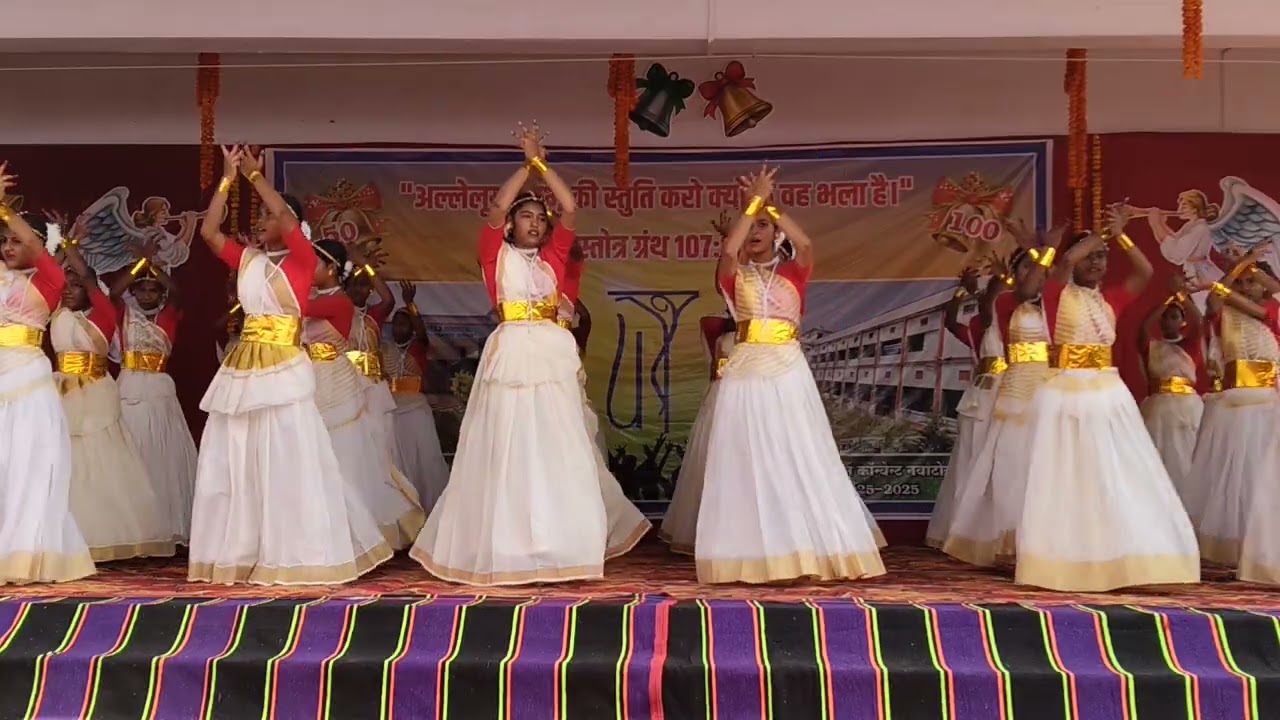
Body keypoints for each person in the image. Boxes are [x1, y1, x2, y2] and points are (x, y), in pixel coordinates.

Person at [410, 123, 611, 585]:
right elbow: (497, 207)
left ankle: (561, 542)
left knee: (556, 443)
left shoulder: (555, 257)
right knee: (507, 443)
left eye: (541, 217)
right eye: (528, 216)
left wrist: (544, 166)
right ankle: (507, 542)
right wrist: (525, 167)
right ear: (512, 226)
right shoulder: (492, 255)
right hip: (512, 347)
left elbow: (572, 208)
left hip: (550, 349)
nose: (536, 221)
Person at [188, 145, 391, 585]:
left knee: (286, 455)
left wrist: (257, 177)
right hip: (243, 368)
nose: (261, 221)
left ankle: (293, 550)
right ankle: (243, 548)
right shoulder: (247, 260)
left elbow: (283, 214)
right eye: (259, 216)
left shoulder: (304, 261)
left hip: (283, 366)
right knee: (237, 455)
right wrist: (227, 178)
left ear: (291, 226)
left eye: (269, 216)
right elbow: (208, 232)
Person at [695, 165, 885, 584]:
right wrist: (750, 207)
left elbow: (805, 242)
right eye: (752, 227)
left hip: (787, 371)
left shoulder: (795, 271)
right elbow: (729, 252)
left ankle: (805, 548)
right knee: (745, 460)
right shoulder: (733, 275)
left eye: (764, 226)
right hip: (745, 372)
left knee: (796, 452)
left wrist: (768, 204)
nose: (757, 231)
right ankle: (751, 554)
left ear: (775, 232)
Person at [1015, 208, 1199, 592]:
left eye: (1101, 257)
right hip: (1068, 392)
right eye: (1090, 256)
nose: (1096, 262)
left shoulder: (1110, 298)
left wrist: (1122, 238)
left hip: (1108, 392)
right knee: (1071, 475)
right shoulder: (1057, 291)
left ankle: (1126, 552)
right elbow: (1065, 260)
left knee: (1119, 472)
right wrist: (1103, 233)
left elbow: (1144, 275)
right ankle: (1070, 556)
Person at [52, 234, 174, 562]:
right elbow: (46, 272)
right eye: (65, 284)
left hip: (94, 390)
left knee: (98, 461)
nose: (68, 289)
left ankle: (101, 534)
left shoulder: (103, 311)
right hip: (60, 390)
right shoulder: (56, 311)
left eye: (75, 285)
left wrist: (67, 245)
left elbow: (89, 277)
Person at [0, 171, 96, 584]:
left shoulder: (50, 280)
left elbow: (38, 247)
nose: (7, 246)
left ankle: (23, 551)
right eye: (3, 239)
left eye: (15, 240)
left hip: (26, 379)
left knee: (25, 464)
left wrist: (4, 206)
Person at [305, 238, 424, 549]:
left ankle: (360, 525)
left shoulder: (350, 308)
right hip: (316, 381)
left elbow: (385, 297)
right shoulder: (320, 299)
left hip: (349, 385)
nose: (360, 291)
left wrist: (363, 265)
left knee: (355, 454)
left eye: (313, 263)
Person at [942, 244, 1052, 566]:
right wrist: (967, 292)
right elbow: (964, 317)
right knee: (982, 460)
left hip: (1027, 389)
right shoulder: (986, 321)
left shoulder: (1048, 310)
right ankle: (984, 527)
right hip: (992, 395)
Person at [92, 230, 199, 545]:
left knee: (162, 451)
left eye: (153, 290)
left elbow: (177, 293)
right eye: (142, 290)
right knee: (132, 449)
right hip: (128, 386)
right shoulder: (125, 316)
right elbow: (112, 293)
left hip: (159, 389)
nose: (148, 295)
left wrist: (153, 266)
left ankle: (164, 524)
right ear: (135, 293)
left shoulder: (168, 316)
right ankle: (133, 525)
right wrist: (141, 265)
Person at [1186, 254, 1280, 568]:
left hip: (1267, 405)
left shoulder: (1269, 311)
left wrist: (1248, 265)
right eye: (1239, 282)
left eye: (1250, 282)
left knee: (1262, 477)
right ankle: (1232, 548)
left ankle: (1262, 547)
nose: (1243, 287)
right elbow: (1214, 300)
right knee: (1233, 479)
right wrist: (1238, 268)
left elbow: (1263, 308)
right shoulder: (1222, 312)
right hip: (1235, 408)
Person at [559, 238, 650, 558]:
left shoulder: (572, 333)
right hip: (536, 398)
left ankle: (588, 527)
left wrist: (564, 289)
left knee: (582, 465)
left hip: (572, 406)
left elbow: (575, 257)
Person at [926, 266, 1003, 550]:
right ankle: (967, 530)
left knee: (1000, 462)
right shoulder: (982, 326)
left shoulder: (1017, 322)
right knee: (973, 458)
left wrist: (972, 289)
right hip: (985, 397)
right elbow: (953, 319)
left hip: (1009, 394)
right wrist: (967, 289)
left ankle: (993, 530)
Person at [659, 311, 736, 554]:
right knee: (714, 454)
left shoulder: (759, 334)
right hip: (723, 395)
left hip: (748, 396)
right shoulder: (722, 333)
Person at [1136, 279, 1205, 513]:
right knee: (1160, 453)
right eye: (1166, 317)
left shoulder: (1191, 344)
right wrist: (1166, 302)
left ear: (1182, 321)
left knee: (1186, 453)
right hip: (1159, 409)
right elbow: (1144, 327)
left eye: (1175, 317)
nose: (1168, 321)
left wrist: (1182, 296)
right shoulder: (1152, 346)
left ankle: (1188, 507)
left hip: (1186, 408)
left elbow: (1199, 321)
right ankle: (1159, 508)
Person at [381, 281, 451, 512]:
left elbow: (422, 333)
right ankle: (403, 507)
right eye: (397, 323)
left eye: (405, 323)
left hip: (415, 407)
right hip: (392, 407)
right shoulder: (385, 349)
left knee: (421, 458)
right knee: (397, 458)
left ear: (411, 327)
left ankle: (426, 504)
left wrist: (410, 304)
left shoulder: (419, 345)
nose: (400, 327)